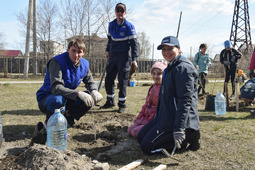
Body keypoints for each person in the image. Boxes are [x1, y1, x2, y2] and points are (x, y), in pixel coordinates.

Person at [31, 39, 103, 145]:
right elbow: (56, 88)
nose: (76, 55)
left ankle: (67, 119)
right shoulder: (57, 62)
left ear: (83, 53)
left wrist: (94, 91)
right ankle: (47, 128)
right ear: (68, 50)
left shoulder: (84, 64)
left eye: (79, 52)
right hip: (48, 97)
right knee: (58, 100)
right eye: (73, 51)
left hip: (67, 97)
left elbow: (90, 81)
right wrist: (78, 93)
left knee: (88, 99)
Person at [137, 36, 200, 155]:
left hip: (178, 120)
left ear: (178, 49)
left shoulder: (184, 69)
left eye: (170, 49)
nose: (166, 52)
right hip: (167, 115)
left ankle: (186, 139)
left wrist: (179, 129)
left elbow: (185, 101)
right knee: (140, 136)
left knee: (147, 147)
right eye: (163, 49)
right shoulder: (171, 66)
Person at [100, 2, 139, 113]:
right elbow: (110, 40)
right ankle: (110, 101)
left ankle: (122, 104)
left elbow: (134, 44)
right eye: (118, 11)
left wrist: (134, 59)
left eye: (122, 11)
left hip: (124, 57)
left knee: (122, 81)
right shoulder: (111, 25)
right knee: (108, 79)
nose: (120, 13)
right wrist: (107, 50)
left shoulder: (129, 26)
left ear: (125, 13)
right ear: (115, 12)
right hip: (113, 56)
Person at [128, 61, 167, 138]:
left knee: (135, 132)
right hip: (146, 117)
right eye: (154, 73)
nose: (155, 76)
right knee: (130, 130)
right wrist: (138, 118)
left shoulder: (164, 89)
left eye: (159, 74)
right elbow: (146, 105)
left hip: (153, 120)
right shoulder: (152, 88)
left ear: (164, 75)